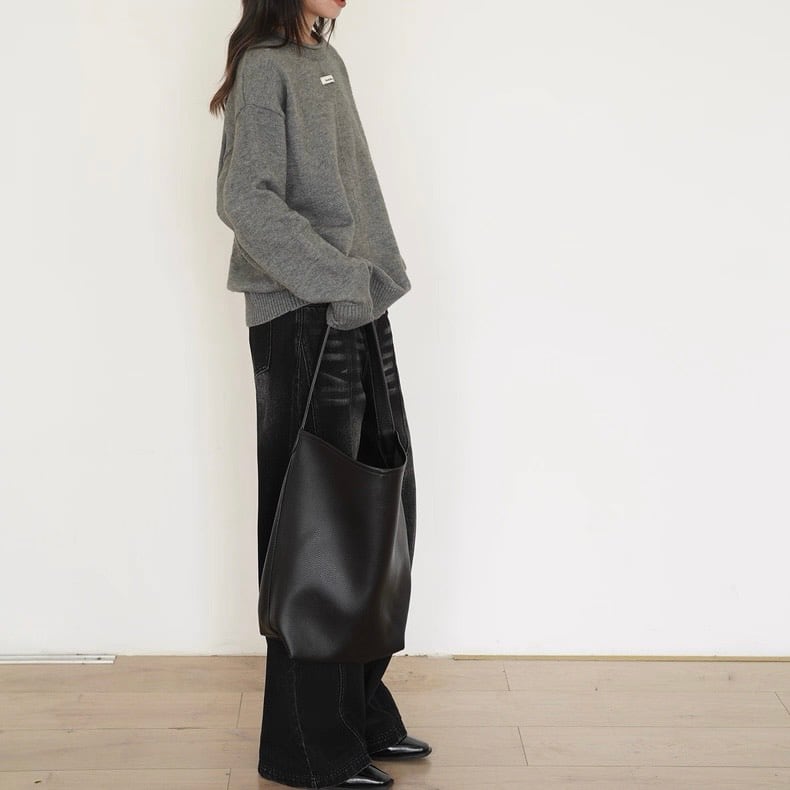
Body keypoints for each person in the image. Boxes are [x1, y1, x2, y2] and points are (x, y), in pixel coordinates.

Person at [210, 2, 429, 787]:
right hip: (303, 315)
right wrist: (338, 279)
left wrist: (362, 284)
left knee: (376, 513)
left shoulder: (323, 59)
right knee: (316, 531)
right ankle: (307, 746)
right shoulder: (265, 67)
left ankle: (358, 711)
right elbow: (245, 197)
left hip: (352, 305)